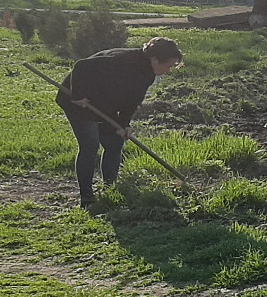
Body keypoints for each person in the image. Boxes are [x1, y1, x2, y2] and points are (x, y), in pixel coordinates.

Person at [55, 36, 184, 208]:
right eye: (168, 65)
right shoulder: (121, 60)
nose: (168, 70)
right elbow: (81, 66)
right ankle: (86, 198)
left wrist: (124, 124)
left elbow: (132, 101)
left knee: (115, 143)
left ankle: (110, 189)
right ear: (154, 59)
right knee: (90, 145)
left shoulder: (148, 75)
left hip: (103, 104)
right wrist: (78, 94)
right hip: (79, 102)